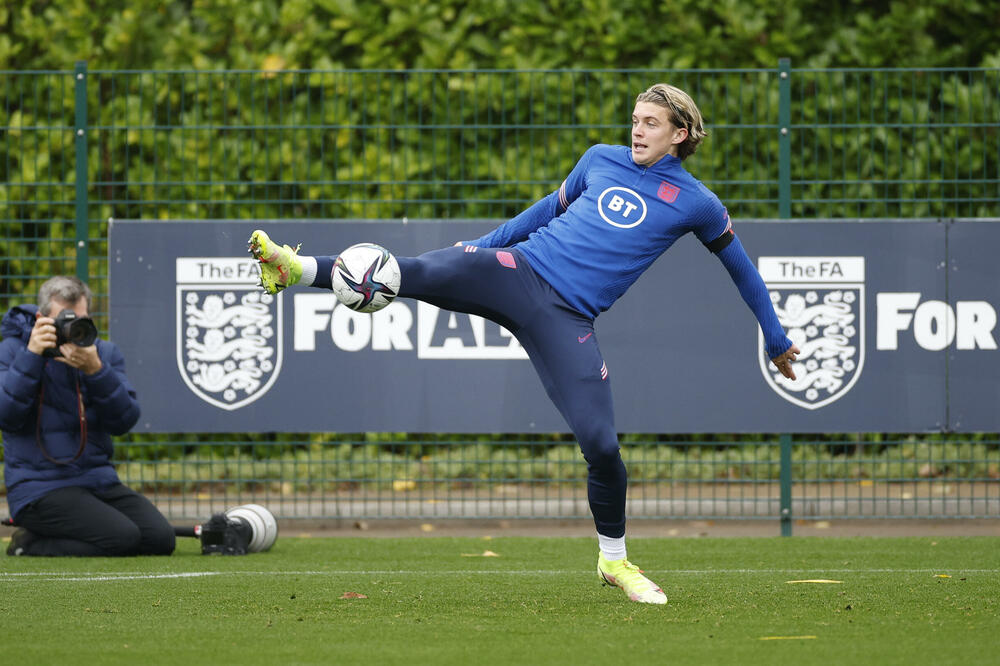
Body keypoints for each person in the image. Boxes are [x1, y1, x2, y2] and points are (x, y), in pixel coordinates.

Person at [248, 83, 799, 604]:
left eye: (650, 123)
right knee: (409, 272)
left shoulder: (697, 203)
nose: (636, 131)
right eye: (634, 120)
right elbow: (543, 212)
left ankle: (614, 560)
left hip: (568, 318)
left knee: (603, 446)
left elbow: (742, 269)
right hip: (517, 269)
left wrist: (775, 339)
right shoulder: (599, 158)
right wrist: (479, 248)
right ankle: (293, 267)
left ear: (679, 134)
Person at [1, 276, 175, 557]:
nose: (71, 328)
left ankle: (50, 534)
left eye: (79, 319)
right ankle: (29, 543)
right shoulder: (12, 351)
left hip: (96, 481)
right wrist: (32, 356)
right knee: (123, 537)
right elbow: (6, 417)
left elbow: (124, 421)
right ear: (40, 318)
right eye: (63, 320)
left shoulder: (103, 354)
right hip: (38, 488)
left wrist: (97, 372)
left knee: (160, 539)